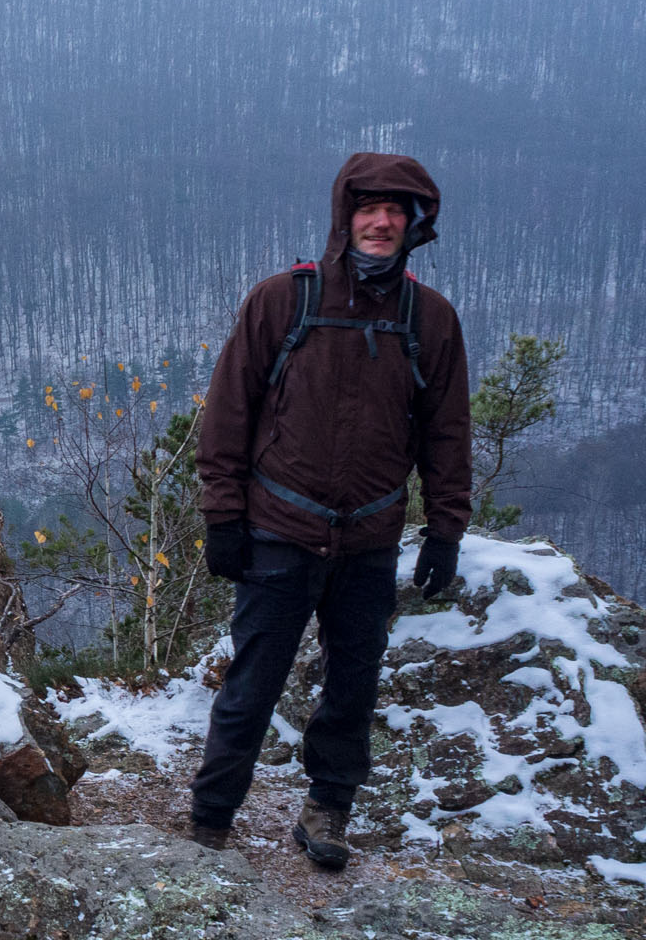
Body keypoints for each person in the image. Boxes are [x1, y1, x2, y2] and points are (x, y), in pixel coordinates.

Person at [187, 152, 471, 869]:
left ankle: (329, 811)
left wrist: (445, 530)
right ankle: (211, 819)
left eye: (396, 211)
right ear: (344, 217)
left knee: (353, 682)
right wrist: (223, 516)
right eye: (368, 208)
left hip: (370, 538)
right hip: (279, 530)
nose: (381, 221)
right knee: (252, 684)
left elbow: (446, 431)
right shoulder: (284, 301)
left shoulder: (429, 319)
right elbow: (227, 415)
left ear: (414, 226)